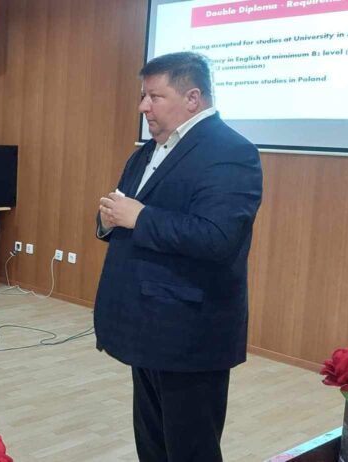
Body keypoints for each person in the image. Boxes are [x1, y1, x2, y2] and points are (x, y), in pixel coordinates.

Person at [94, 52, 262, 461]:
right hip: (146, 326)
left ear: (192, 98)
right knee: (153, 444)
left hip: (189, 333)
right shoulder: (148, 151)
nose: (143, 106)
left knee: (191, 450)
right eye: (143, 96)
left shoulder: (230, 151)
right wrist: (109, 219)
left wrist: (140, 217)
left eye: (155, 96)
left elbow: (218, 238)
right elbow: (124, 211)